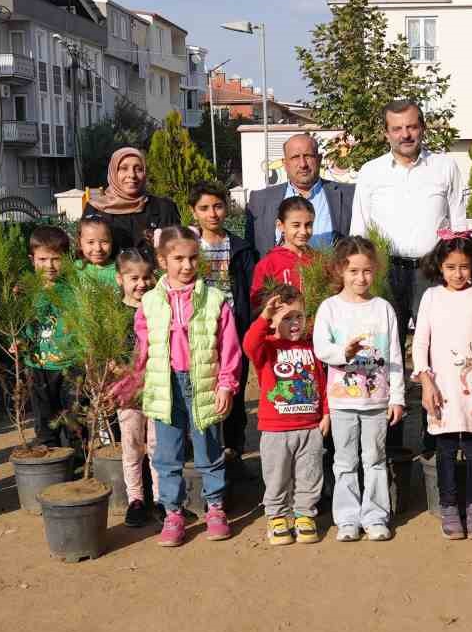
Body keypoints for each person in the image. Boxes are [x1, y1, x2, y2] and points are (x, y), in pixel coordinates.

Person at [129, 227, 243, 546]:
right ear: (163, 260)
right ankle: (173, 513)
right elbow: (143, 350)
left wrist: (226, 385)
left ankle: (216, 508)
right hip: (166, 387)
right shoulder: (149, 302)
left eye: (193, 257)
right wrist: (133, 383)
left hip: (203, 384)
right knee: (167, 455)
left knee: (209, 450)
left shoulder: (215, 300)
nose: (187, 265)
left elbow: (229, 348)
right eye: (178, 258)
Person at [413, 232, 472, 540]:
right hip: (443, 389)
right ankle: (450, 506)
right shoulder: (431, 297)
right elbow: (421, 342)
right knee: (445, 449)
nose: (458, 273)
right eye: (451, 267)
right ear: (440, 266)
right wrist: (426, 381)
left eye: (464, 266)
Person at [313, 236, 406, 542]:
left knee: (376, 460)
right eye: (353, 271)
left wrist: (397, 397)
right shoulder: (330, 308)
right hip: (341, 402)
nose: (360, 278)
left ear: (375, 270)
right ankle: (348, 518)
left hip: (377, 402)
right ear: (341, 270)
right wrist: (345, 354)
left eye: (366, 271)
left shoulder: (383, 309)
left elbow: (394, 355)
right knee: (344, 462)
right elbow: (321, 349)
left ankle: (376, 516)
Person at [351, 99, 467, 335]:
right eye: (397, 128)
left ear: (422, 127)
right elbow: (359, 229)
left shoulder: (445, 167)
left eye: (412, 126)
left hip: (432, 272)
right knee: (383, 348)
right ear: (386, 133)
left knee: (437, 345)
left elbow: (459, 226)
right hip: (384, 272)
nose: (405, 134)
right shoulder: (370, 172)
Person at [243, 283, 329, 546]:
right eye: (286, 318)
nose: (294, 323)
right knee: (276, 476)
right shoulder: (267, 348)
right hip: (276, 429)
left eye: (299, 317)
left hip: (309, 427)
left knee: (309, 475)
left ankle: (304, 515)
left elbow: (322, 384)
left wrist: (325, 414)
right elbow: (249, 344)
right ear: (273, 322)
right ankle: (277, 517)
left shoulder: (312, 349)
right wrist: (264, 317)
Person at [189, 180, 257, 462]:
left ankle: (234, 448)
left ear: (226, 208)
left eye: (217, 206)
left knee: (233, 388)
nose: (212, 213)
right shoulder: (190, 247)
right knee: (202, 387)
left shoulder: (240, 247)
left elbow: (251, 289)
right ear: (194, 212)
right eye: (204, 208)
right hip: (201, 328)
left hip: (234, 327)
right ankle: (205, 451)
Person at [245, 132, 354, 257]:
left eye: (308, 156)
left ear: (319, 159)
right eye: (295, 157)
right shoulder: (260, 201)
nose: (303, 164)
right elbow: (249, 256)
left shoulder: (349, 195)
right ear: (285, 164)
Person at [114, 249, 160, 528]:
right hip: (127, 393)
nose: (141, 283)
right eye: (134, 278)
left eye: (147, 277)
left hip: (156, 388)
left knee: (156, 446)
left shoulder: (157, 306)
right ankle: (136, 500)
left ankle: (161, 498)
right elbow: (109, 353)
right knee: (131, 446)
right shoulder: (115, 313)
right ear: (120, 279)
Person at [25, 226, 76, 449]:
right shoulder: (27, 290)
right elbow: (18, 323)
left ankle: (78, 462)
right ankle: (49, 457)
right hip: (38, 366)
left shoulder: (73, 288)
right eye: (43, 259)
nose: (49, 266)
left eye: (56, 259)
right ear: (32, 259)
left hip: (70, 365)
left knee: (74, 420)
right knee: (45, 421)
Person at [85, 146, 184, 253]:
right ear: (113, 172)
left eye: (138, 169)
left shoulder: (164, 208)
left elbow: (177, 251)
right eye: (124, 168)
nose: (132, 175)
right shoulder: (95, 209)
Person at [250, 197, 317, 305]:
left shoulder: (318, 259)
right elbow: (257, 303)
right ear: (280, 226)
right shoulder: (269, 263)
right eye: (296, 225)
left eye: (308, 225)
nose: (303, 231)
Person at [73, 214, 118, 286]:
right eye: (91, 242)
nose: (98, 248)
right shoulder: (75, 268)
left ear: (112, 241)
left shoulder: (119, 270)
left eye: (104, 242)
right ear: (80, 244)